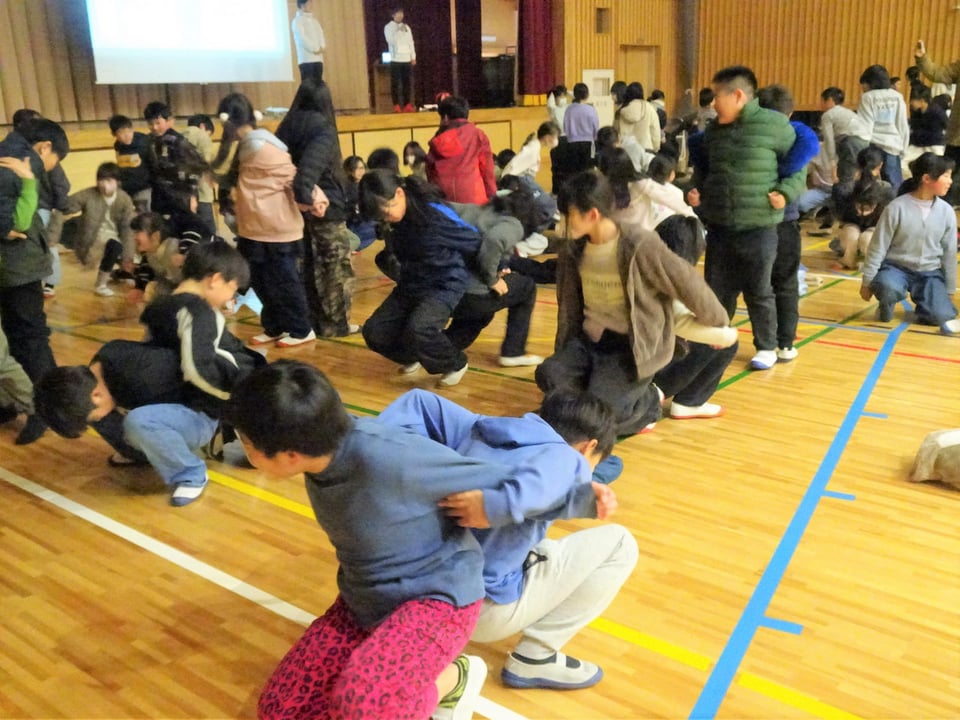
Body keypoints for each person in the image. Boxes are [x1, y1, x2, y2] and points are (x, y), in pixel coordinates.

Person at [226, 360, 534, 719]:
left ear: (290, 455)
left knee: (367, 708)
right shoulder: (321, 449)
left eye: (247, 443)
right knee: (280, 711)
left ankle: (454, 678)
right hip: (367, 602)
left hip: (437, 600)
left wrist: (565, 494)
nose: (244, 448)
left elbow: (518, 484)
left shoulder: (389, 457)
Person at [377, 388, 637, 690]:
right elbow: (554, 471)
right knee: (620, 544)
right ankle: (535, 658)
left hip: (403, 585)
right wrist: (494, 507)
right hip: (470, 608)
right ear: (588, 446)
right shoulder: (565, 457)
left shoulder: (480, 428)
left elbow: (418, 401)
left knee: (537, 540)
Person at [35, 242, 265, 506]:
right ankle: (142, 453)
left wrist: (240, 411)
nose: (231, 297)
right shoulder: (99, 371)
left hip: (205, 407)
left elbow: (201, 373)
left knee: (139, 421)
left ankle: (191, 473)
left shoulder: (151, 362)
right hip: (183, 393)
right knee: (97, 412)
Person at [536, 172, 729, 435]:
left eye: (569, 214)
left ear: (592, 214)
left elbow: (686, 281)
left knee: (602, 415)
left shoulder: (638, 244)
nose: (563, 221)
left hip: (630, 347)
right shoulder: (574, 249)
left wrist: (717, 322)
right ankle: (599, 396)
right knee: (549, 374)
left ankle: (647, 404)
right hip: (589, 342)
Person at [686, 65, 804, 371]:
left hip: (759, 227)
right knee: (717, 289)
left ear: (738, 95)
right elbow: (705, 171)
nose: (713, 103)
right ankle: (715, 341)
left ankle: (766, 346)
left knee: (759, 290)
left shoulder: (774, 125)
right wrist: (698, 192)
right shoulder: (713, 132)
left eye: (717, 96)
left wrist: (786, 192)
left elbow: (800, 166)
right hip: (720, 226)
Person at [359, 170, 481, 387]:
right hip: (411, 282)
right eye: (380, 216)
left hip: (445, 282)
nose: (385, 218)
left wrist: (498, 268)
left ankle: (455, 363)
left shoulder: (433, 214)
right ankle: (411, 356)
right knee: (374, 332)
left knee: (420, 327)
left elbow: (474, 240)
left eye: (387, 211)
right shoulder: (392, 223)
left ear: (399, 193)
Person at [216, 92, 315, 348]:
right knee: (259, 280)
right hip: (253, 228)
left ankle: (302, 329)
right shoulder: (246, 147)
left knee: (285, 282)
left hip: (277, 229)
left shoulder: (266, 147)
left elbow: (291, 177)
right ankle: (275, 325)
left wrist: (316, 198)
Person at [0, 117, 68, 442]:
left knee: (18, 337)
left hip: (13, 266)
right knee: (29, 338)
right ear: (44, 147)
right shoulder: (20, 163)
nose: (52, 168)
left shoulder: (9, 152)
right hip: (18, 265)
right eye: (56, 160)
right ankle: (47, 407)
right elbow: (18, 222)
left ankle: (28, 404)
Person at [276, 81, 360, 338]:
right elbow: (307, 174)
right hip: (324, 208)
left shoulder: (286, 126)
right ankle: (336, 324)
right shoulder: (322, 128)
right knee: (335, 269)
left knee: (309, 268)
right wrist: (309, 200)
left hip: (297, 211)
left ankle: (313, 320)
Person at [860, 152, 959, 333]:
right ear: (927, 179)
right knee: (886, 286)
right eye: (946, 176)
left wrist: (949, 290)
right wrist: (867, 282)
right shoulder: (896, 208)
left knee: (941, 315)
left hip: (929, 273)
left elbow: (949, 254)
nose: (950, 181)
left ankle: (927, 306)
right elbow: (878, 247)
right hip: (896, 268)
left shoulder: (947, 212)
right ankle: (886, 302)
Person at [757, 83, 819, 362]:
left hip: (756, 221)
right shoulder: (797, 134)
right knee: (783, 283)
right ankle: (783, 344)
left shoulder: (750, 134)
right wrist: (782, 172)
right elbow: (810, 144)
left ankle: (766, 345)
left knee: (761, 285)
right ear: (790, 112)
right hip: (782, 220)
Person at [0, 154, 44, 444]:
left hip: (18, 275)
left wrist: (28, 181)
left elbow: (21, 220)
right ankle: (7, 404)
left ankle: (37, 408)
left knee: (1, 359)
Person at [51, 162, 136, 296]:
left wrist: (128, 256)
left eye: (109, 181)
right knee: (115, 246)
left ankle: (117, 274)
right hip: (93, 239)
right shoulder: (88, 195)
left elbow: (127, 229)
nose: (104, 185)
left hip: (115, 236)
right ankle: (101, 284)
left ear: (117, 182)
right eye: (101, 180)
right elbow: (65, 206)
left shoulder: (124, 199)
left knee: (124, 249)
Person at [426, 96, 497, 204]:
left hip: (445, 203)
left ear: (445, 118)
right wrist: (493, 197)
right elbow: (487, 171)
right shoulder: (477, 135)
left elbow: (430, 175)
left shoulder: (437, 142)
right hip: (475, 202)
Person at [143, 101, 208, 218]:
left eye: (158, 123)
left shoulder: (178, 141)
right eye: (150, 124)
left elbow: (195, 168)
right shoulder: (149, 141)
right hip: (159, 196)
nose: (154, 127)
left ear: (168, 121)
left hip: (181, 195)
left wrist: (193, 197)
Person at [834, 146, 894, 270]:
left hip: (856, 236)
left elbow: (840, 218)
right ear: (880, 166)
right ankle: (867, 260)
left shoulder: (844, 188)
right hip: (866, 235)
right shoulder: (886, 190)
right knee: (861, 236)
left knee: (858, 235)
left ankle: (850, 258)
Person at [915, 40, 960, 203]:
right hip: (957, 136)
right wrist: (923, 58)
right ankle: (944, 212)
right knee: (947, 176)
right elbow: (938, 73)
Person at [857, 64, 909, 191]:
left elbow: (865, 126)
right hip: (893, 146)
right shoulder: (897, 97)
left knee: (870, 184)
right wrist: (903, 148)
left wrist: (862, 148)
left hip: (873, 145)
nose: (862, 88)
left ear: (870, 82)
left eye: (863, 84)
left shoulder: (868, 97)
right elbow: (902, 124)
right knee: (894, 184)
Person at [819, 87, 871, 191]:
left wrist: (832, 162)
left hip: (851, 142)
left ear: (830, 100)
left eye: (822, 101)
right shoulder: (848, 112)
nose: (820, 104)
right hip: (866, 142)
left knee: (846, 177)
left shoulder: (828, 115)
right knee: (861, 176)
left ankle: (845, 199)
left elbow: (829, 140)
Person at [108, 114, 153, 212]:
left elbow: (153, 165)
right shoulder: (118, 146)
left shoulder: (144, 142)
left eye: (129, 131)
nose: (127, 135)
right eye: (121, 132)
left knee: (143, 212)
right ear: (114, 134)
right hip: (126, 187)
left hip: (143, 187)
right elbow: (120, 165)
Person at [182, 114, 218, 234]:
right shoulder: (202, 135)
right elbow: (206, 163)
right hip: (201, 192)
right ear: (202, 126)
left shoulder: (179, 136)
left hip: (182, 193)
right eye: (209, 133)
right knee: (208, 230)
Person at [614, 82, 661, 154]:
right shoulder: (649, 108)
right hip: (646, 150)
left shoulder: (621, 110)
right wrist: (656, 147)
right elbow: (655, 130)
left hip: (626, 150)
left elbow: (616, 130)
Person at [384, 7, 416, 113]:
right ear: (393, 15)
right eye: (398, 13)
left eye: (401, 13)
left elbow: (411, 42)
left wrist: (413, 56)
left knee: (407, 83)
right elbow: (391, 41)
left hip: (406, 58)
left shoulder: (406, 27)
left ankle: (407, 104)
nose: (400, 15)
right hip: (395, 59)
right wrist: (398, 30)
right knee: (395, 83)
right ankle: (396, 105)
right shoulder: (388, 27)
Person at [343, 155, 377, 251]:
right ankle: (351, 247)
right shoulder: (347, 187)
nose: (361, 171)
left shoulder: (366, 184)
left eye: (362, 168)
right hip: (353, 222)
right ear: (350, 170)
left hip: (364, 219)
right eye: (357, 169)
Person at [291, 0, 326, 84]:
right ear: (302, 5)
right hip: (306, 60)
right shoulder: (297, 21)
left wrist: (322, 46)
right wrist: (315, 49)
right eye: (309, 3)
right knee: (308, 87)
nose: (311, 5)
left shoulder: (315, 21)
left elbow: (321, 34)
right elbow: (302, 38)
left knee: (318, 86)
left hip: (318, 59)